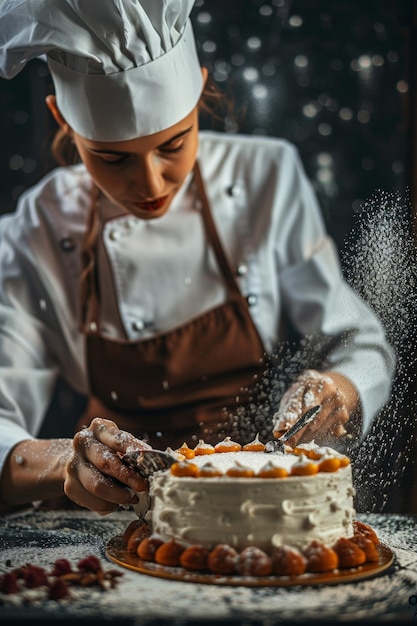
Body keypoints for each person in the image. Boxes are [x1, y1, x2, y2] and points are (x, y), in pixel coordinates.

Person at [0, 0, 395, 515]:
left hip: (257, 500)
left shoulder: (265, 178)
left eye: (173, 144)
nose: (150, 184)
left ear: (200, 92)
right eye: (112, 157)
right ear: (61, 118)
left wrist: (338, 387)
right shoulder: (40, 227)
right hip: (110, 519)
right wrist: (64, 462)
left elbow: (359, 343)